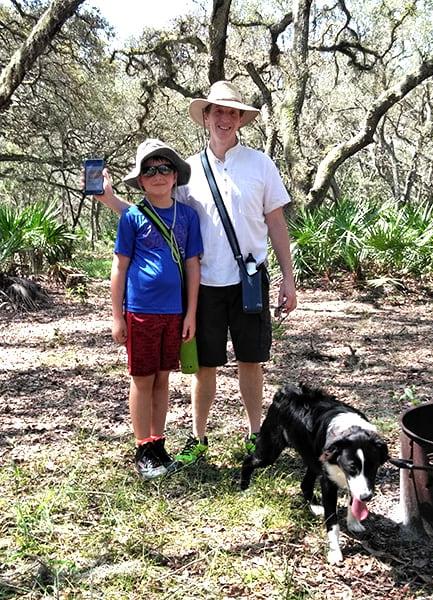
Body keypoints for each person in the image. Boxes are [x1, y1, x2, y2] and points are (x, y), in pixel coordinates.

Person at [96, 81, 297, 466]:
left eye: (233, 113)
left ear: (241, 119)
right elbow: (155, 215)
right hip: (202, 284)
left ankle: (255, 434)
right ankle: (197, 438)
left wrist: (288, 278)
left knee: (250, 361)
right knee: (204, 365)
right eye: (218, 111)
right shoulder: (187, 172)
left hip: (250, 280)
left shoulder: (260, 165)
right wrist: (110, 200)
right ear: (206, 116)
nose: (225, 119)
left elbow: (276, 223)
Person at [110, 138, 203, 479]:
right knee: (142, 378)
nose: (158, 175)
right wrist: (117, 315)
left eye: (164, 168)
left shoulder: (188, 217)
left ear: (175, 176)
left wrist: (191, 313)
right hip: (140, 311)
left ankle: (158, 443)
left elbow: (193, 266)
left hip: (174, 313)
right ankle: (142, 447)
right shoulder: (133, 217)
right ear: (142, 180)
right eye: (150, 170)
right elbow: (120, 267)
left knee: (163, 378)